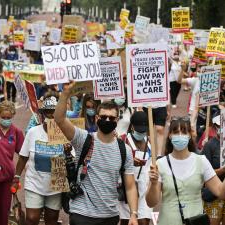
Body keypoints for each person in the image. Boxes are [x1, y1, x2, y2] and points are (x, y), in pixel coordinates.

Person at [54, 82, 138, 225]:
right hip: (82, 213)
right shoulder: (83, 139)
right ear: (97, 118)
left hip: (110, 216)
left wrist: (134, 214)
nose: (107, 120)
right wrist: (65, 94)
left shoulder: (125, 150)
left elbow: (130, 186)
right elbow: (60, 119)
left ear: (117, 121)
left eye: (111, 118)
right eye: (104, 117)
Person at [146, 116, 225, 225]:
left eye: (184, 132)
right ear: (170, 136)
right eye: (176, 132)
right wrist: (153, 183)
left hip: (195, 221)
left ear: (189, 135)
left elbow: (221, 192)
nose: (180, 136)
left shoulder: (201, 161)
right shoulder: (160, 164)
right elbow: (151, 202)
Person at [13, 94, 64, 225]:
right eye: (48, 113)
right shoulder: (33, 132)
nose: (51, 116)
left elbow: (73, 158)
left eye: (54, 113)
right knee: (32, 218)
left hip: (56, 183)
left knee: (51, 219)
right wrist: (16, 178)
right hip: (34, 183)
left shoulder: (66, 132)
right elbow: (23, 157)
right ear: (43, 115)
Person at [119, 111, 152, 225]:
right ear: (132, 126)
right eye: (138, 130)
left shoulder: (150, 141)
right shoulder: (123, 140)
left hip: (145, 189)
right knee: (127, 221)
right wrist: (129, 161)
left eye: (143, 130)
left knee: (144, 221)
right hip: (128, 188)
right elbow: (115, 162)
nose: (141, 132)